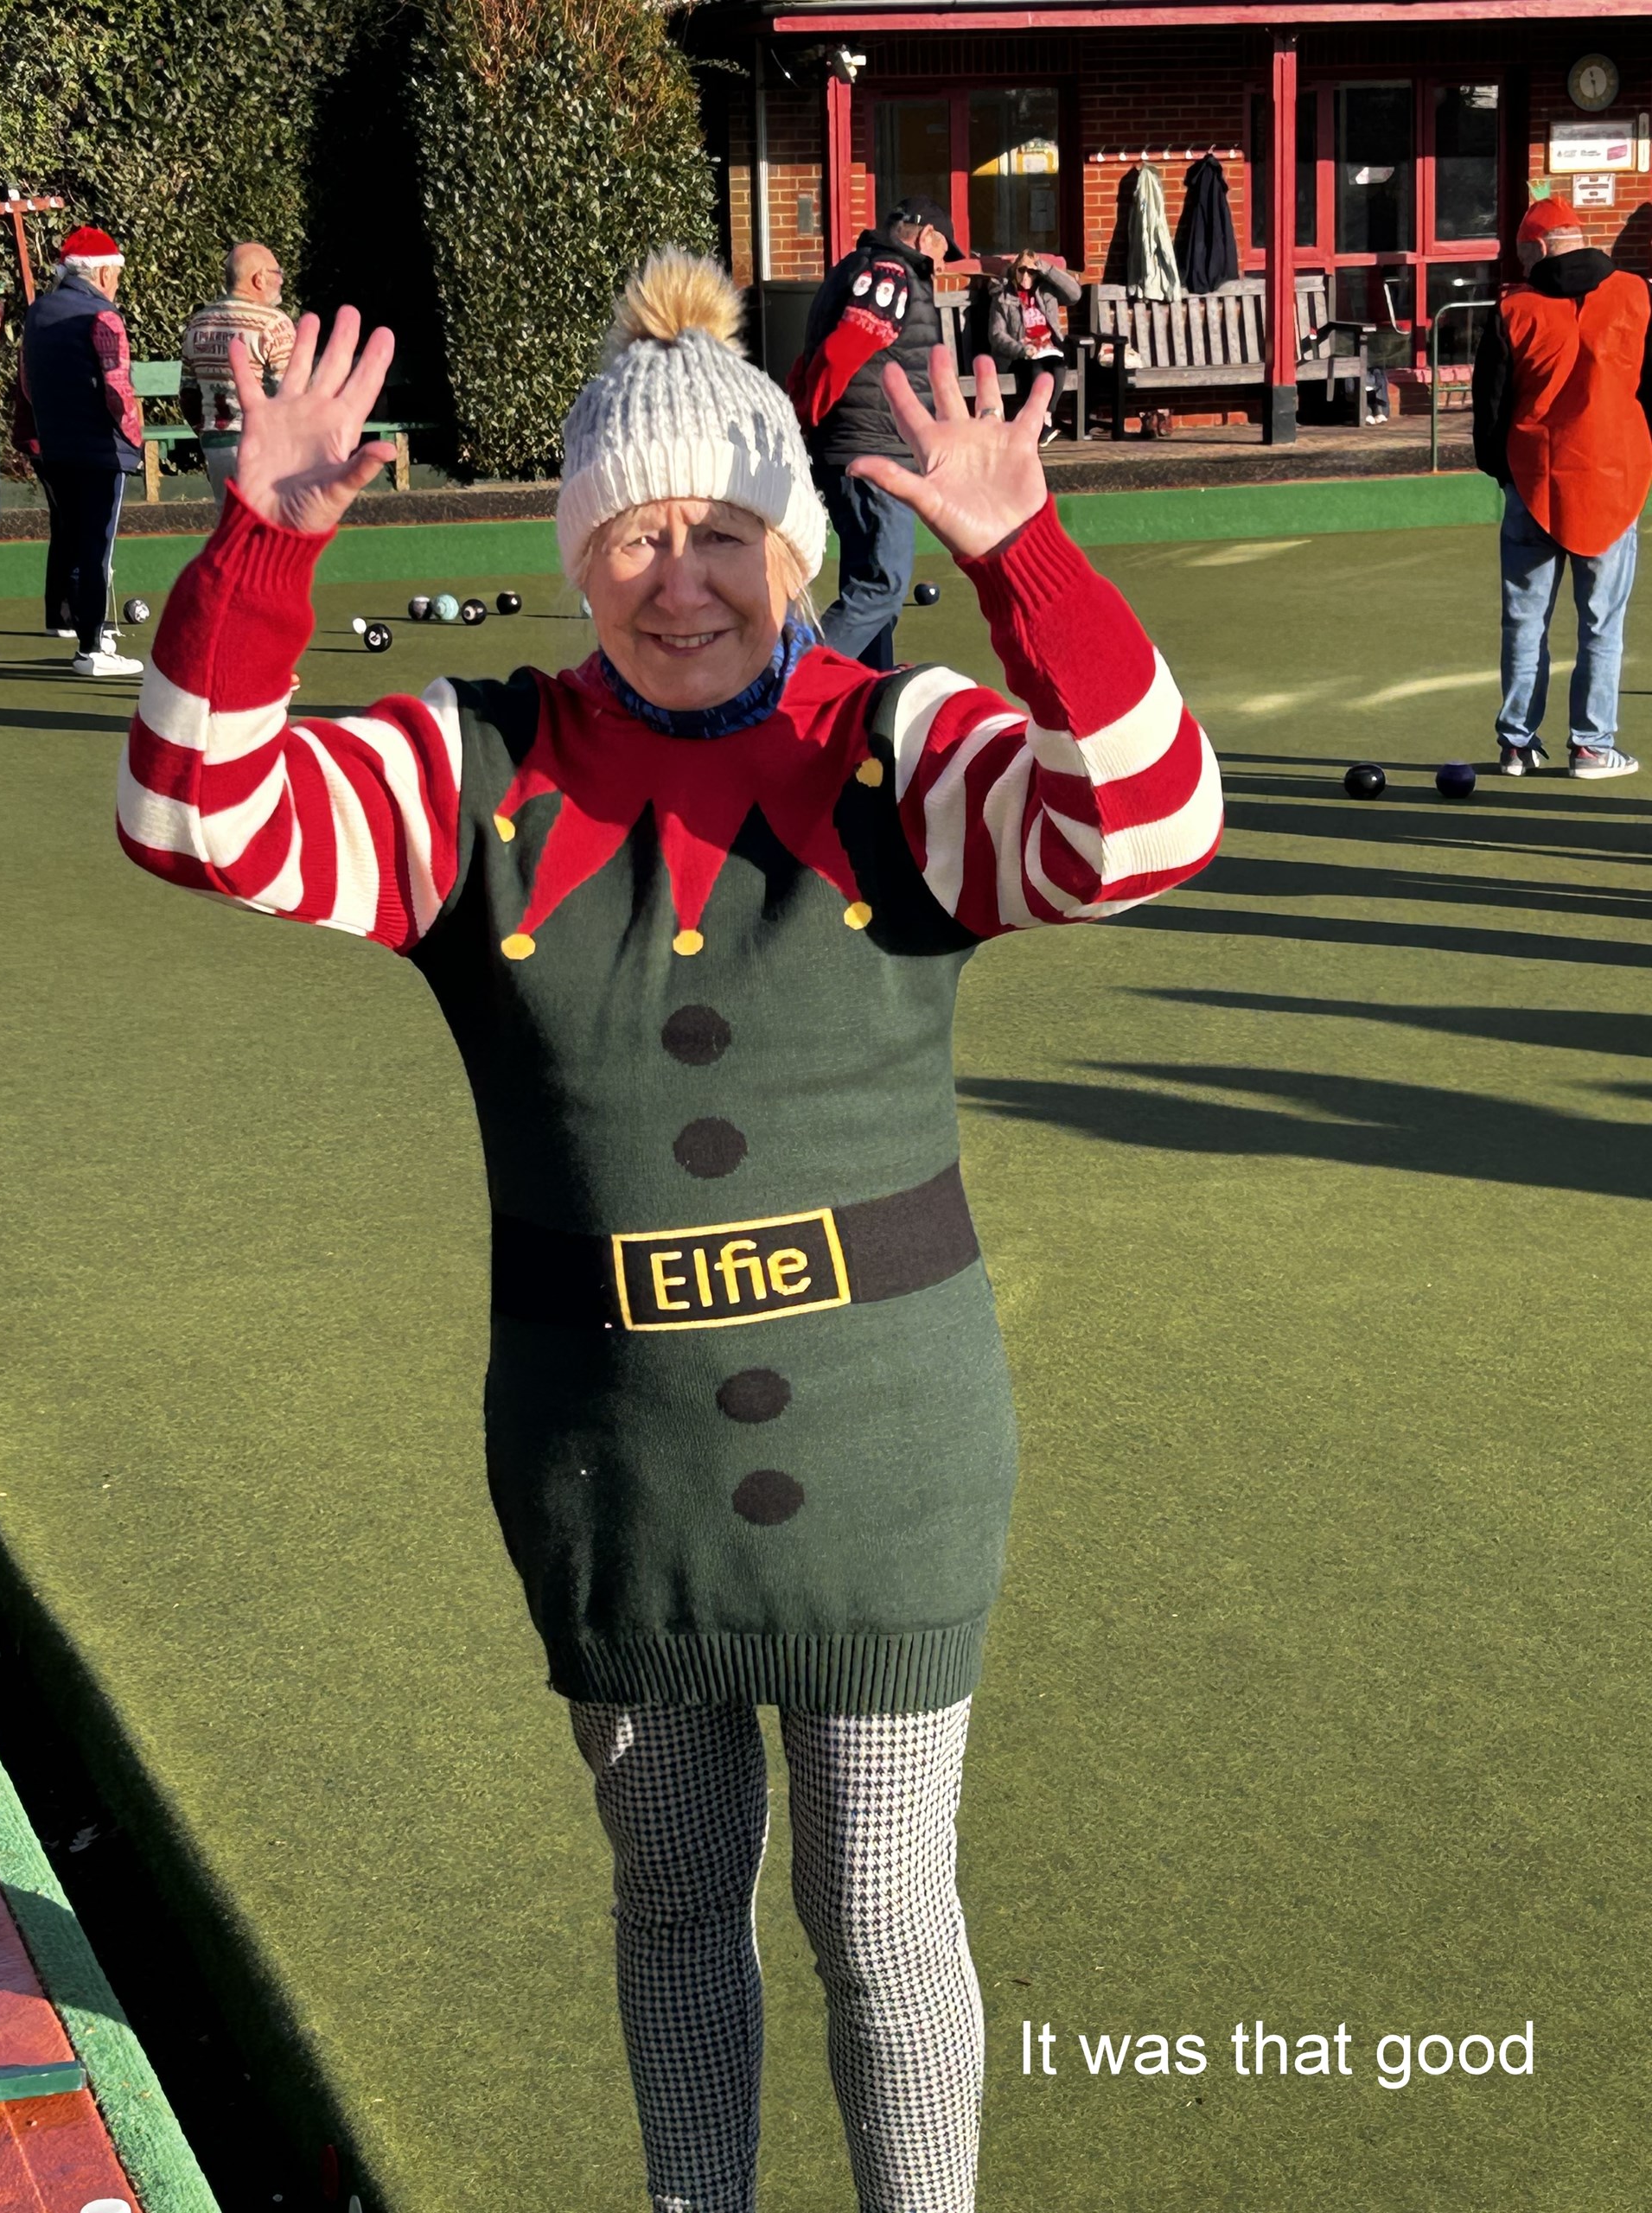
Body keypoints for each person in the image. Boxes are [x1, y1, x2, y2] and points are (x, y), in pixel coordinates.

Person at [115, 252, 1222, 2213]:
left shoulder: (893, 746)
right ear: (580, 554)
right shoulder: (478, 765)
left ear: (792, 546)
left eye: (724, 533)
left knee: (883, 1911)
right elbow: (198, 814)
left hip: (884, 1458)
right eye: (635, 534)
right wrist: (264, 548)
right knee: (675, 1896)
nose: (681, 579)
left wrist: (1029, 561)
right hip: (613, 1469)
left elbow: (1146, 826)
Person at [1471, 195, 1652, 780]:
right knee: (1603, 623)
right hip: (1613, 478)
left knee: (1524, 621)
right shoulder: (1637, 294)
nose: (1521, 263)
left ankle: (1516, 744)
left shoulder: (1513, 309)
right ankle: (1592, 746)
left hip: (1535, 478)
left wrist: (1502, 473)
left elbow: (1490, 406)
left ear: (1539, 247)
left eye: (1523, 253)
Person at [788, 195, 961, 669]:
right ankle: (794, 679)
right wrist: (810, 417)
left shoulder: (853, 268)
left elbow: (810, 359)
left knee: (866, 583)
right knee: (882, 586)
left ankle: (869, 683)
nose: (943, 265)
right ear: (926, 236)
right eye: (944, 250)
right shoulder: (892, 275)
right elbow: (838, 354)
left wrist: (808, 422)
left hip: (854, 448)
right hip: (872, 450)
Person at [16, 225, 144, 678]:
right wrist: (135, 438)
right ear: (105, 273)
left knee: (73, 538)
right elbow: (117, 387)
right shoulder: (104, 315)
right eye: (117, 273)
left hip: (55, 445)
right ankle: (92, 648)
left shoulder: (39, 312)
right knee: (96, 548)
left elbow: (27, 383)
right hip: (100, 449)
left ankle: (86, 632)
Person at [180, 242, 297, 512]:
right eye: (277, 272)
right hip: (264, 448)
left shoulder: (198, 323)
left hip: (216, 444)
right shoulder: (274, 324)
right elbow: (289, 394)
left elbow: (188, 395)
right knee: (269, 527)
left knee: (231, 525)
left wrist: (205, 433)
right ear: (259, 278)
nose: (281, 280)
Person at [986, 250, 1081, 442]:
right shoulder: (1003, 296)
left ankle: (1044, 417)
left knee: (1058, 367)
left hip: (1048, 349)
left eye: (1031, 271)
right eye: (1021, 270)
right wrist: (1021, 349)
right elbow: (996, 335)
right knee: (1036, 368)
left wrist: (1045, 268)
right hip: (1018, 355)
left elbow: (1075, 295)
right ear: (1014, 270)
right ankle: (1039, 423)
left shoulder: (1046, 290)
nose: (1026, 276)